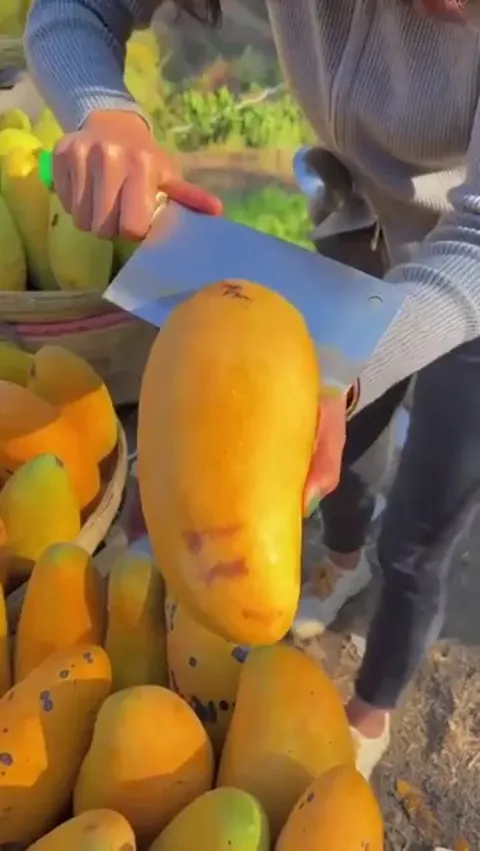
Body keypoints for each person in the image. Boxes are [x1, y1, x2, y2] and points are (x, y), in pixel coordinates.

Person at [24, 0, 480, 779]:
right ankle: (341, 559)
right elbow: (76, 8)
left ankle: (371, 706)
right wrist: (105, 113)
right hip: (352, 229)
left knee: (418, 536)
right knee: (335, 454)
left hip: (466, 277)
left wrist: (356, 363)